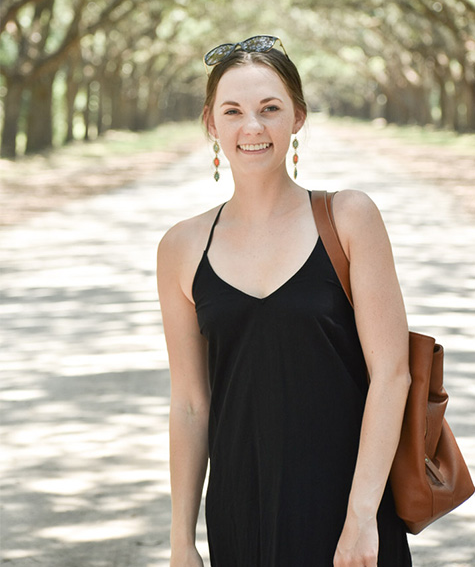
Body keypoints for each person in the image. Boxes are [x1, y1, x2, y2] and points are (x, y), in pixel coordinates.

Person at [156, 35, 412, 567]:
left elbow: (392, 375)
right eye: (234, 111)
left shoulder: (349, 218)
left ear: (297, 117)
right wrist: (182, 539)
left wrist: (362, 517)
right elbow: (189, 402)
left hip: (349, 504)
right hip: (239, 508)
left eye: (270, 109)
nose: (253, 127)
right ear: (211, 123)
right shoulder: (181, 247)